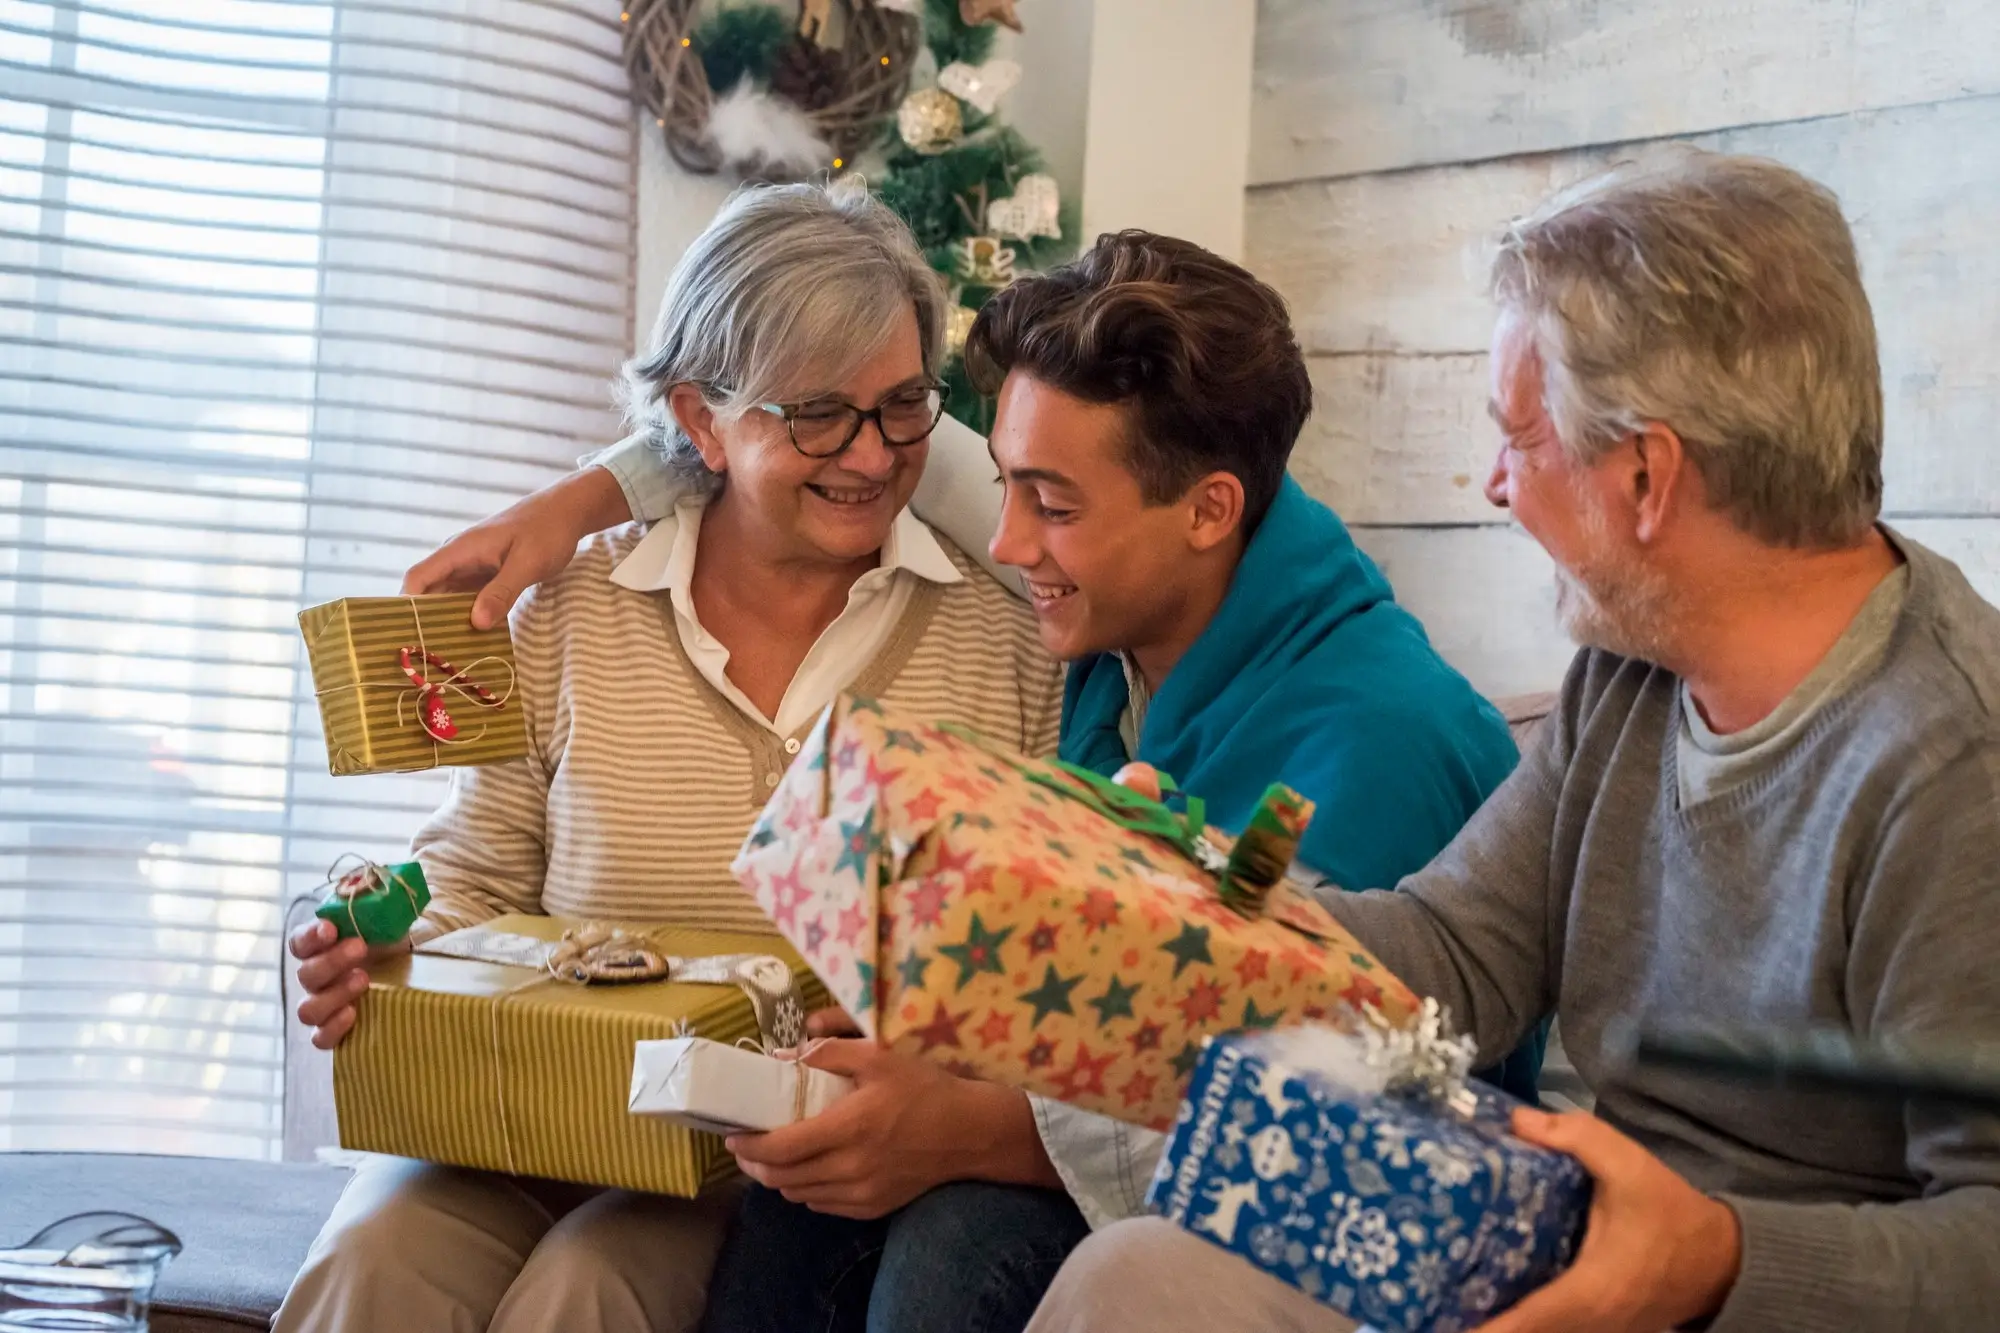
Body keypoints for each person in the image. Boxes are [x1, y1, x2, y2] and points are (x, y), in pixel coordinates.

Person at [409, 230, 1523, 1333]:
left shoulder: (1376, 742)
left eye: (1050, 504)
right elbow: (773, 418)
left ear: (1208, 511)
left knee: (956, 1235)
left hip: (1310, 1228)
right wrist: (567, 506)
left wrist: (977, 1129)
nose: (1001, 537)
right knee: (799, 1204)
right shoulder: (1105, 620)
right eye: (1003, 486)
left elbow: (1341, 1140)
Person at [1023, 151, 2000, 1333]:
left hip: (1752, 1296)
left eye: (1518, 439)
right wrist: (1211, 904)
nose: (1490, 483)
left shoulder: (1951, 764)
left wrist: (1718, 1257)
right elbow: (1458, 946)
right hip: (1557, 1246)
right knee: (1136, 1279)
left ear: (1643, 475)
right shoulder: (1629, 671)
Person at [275, 178, 1062, 1333]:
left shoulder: (1003, 651)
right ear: (697, 422)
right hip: (520, 1111)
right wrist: (374, 947)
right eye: (816, 415)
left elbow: (1015, 972)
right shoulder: (566, 609)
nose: (871, 453)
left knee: (587, 1290)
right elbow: (475, 881)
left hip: (747, 1161)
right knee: (369, 1261)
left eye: (902, 407)